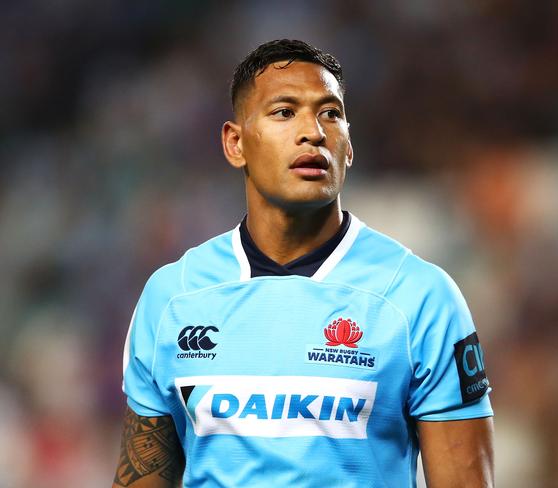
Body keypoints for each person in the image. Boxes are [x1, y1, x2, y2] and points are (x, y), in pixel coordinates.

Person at [113, 39, 494, 488]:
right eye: (284, 112)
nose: (313, 131)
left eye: (330, 113)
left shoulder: (420, 298)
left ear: (348, 149)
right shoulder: (173, 298)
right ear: (235, 144)